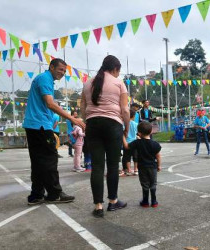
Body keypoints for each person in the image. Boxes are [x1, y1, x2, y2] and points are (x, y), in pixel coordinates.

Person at [23, 58, 85, 205]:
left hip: (33, 125)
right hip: (40, 126)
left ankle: (36, 194)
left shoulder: (45, 79)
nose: (62, 73)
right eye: (60, 69)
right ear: (51, 67)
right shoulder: (45, 79)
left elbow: (49, 103)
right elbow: (50, 104)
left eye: (64, 70)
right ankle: (54, 193)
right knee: (50, 159)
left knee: (38, 161)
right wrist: (73, 119)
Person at [81, 55, 130, 218]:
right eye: (118, 71)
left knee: (97, 166)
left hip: (92, 125)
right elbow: (125, 110)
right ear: (115, 69)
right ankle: (113, 202)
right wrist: (126, 128)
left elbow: (83, 107)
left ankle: (98, 206)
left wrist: (86, 122)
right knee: (113, 165)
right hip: (112, 124)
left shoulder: (88, 83)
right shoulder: (119, 83)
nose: (118, 74)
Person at [122, 121, 161, 207]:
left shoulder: (137, 143)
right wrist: (159, 166)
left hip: (142, 167)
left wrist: (123, 136)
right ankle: (154, 202)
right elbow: (158, 156)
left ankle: (145, 201)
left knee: (145, 184)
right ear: (151, 132)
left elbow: (126, 146)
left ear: (139, 133)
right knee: (153, 183)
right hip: (153, 167)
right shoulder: (155, 144)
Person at [120, 109, 139, 177]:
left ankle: (129, 170)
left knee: (127, 157)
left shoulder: (124, 124)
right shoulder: (136, 124)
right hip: (135, 142)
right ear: (134, 116)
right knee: (136, 156)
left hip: (127, 142)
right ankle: (136, 169)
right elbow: (137, 133)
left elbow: (123, 132)